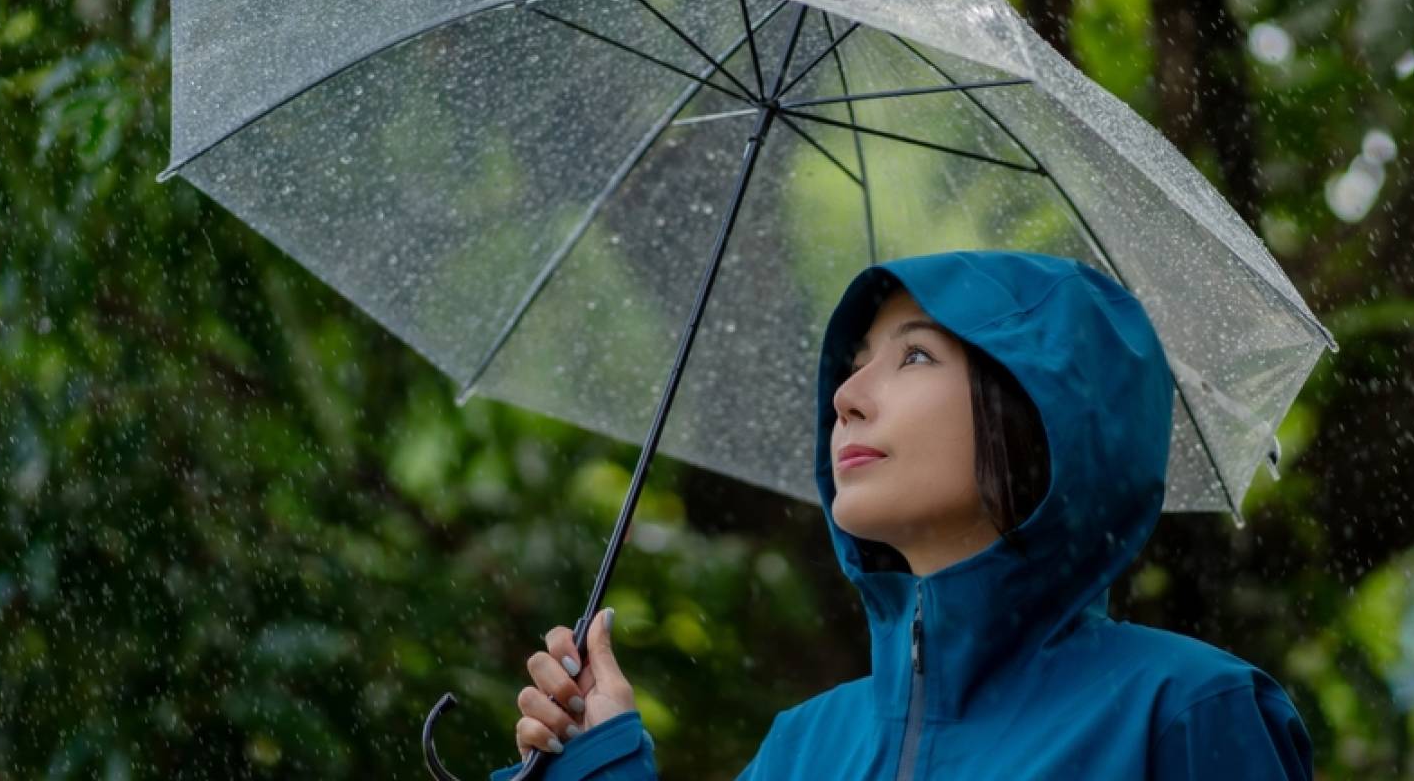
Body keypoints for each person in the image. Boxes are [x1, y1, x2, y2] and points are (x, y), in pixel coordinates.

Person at [494, 250, 1314, 780]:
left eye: (915, 355)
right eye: (854, 369)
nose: (847, 399)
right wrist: (596, 762)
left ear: (1042, 409)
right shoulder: (802, 750)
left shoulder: (1185, 713)